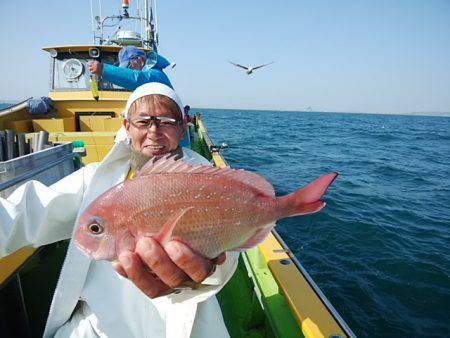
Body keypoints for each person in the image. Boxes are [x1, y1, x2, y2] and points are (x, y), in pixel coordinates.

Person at [0, 83, 237, 337]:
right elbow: (25, 212)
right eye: (143, 122)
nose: (154, 132)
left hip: (186, 325)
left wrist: (211, 270)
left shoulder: (208, 183)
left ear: (182, 129)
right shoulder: (93, 181)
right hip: (101, 325)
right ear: (127, 127)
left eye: (166, 121)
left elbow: (230, 250)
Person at [88, 46, 173, 90]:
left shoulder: (156, 75)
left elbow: (137, 78)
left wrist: (103, 69)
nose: (128, 70)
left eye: (129, 65)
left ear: (139, 59)